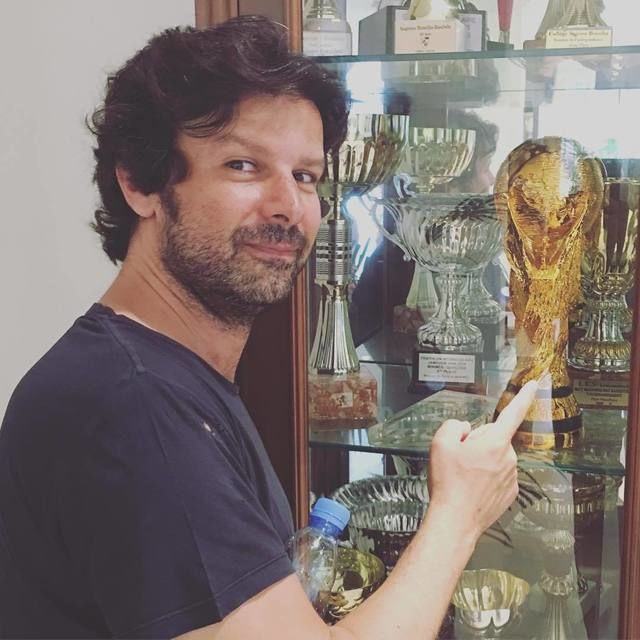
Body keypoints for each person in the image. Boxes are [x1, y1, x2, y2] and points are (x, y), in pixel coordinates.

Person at [0, 15, 537, 640]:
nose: (288, 206)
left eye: (305, 176)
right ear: (141, 184)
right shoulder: (133, 404)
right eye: (243, 165)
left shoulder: (163, 375)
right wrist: (459, 514)